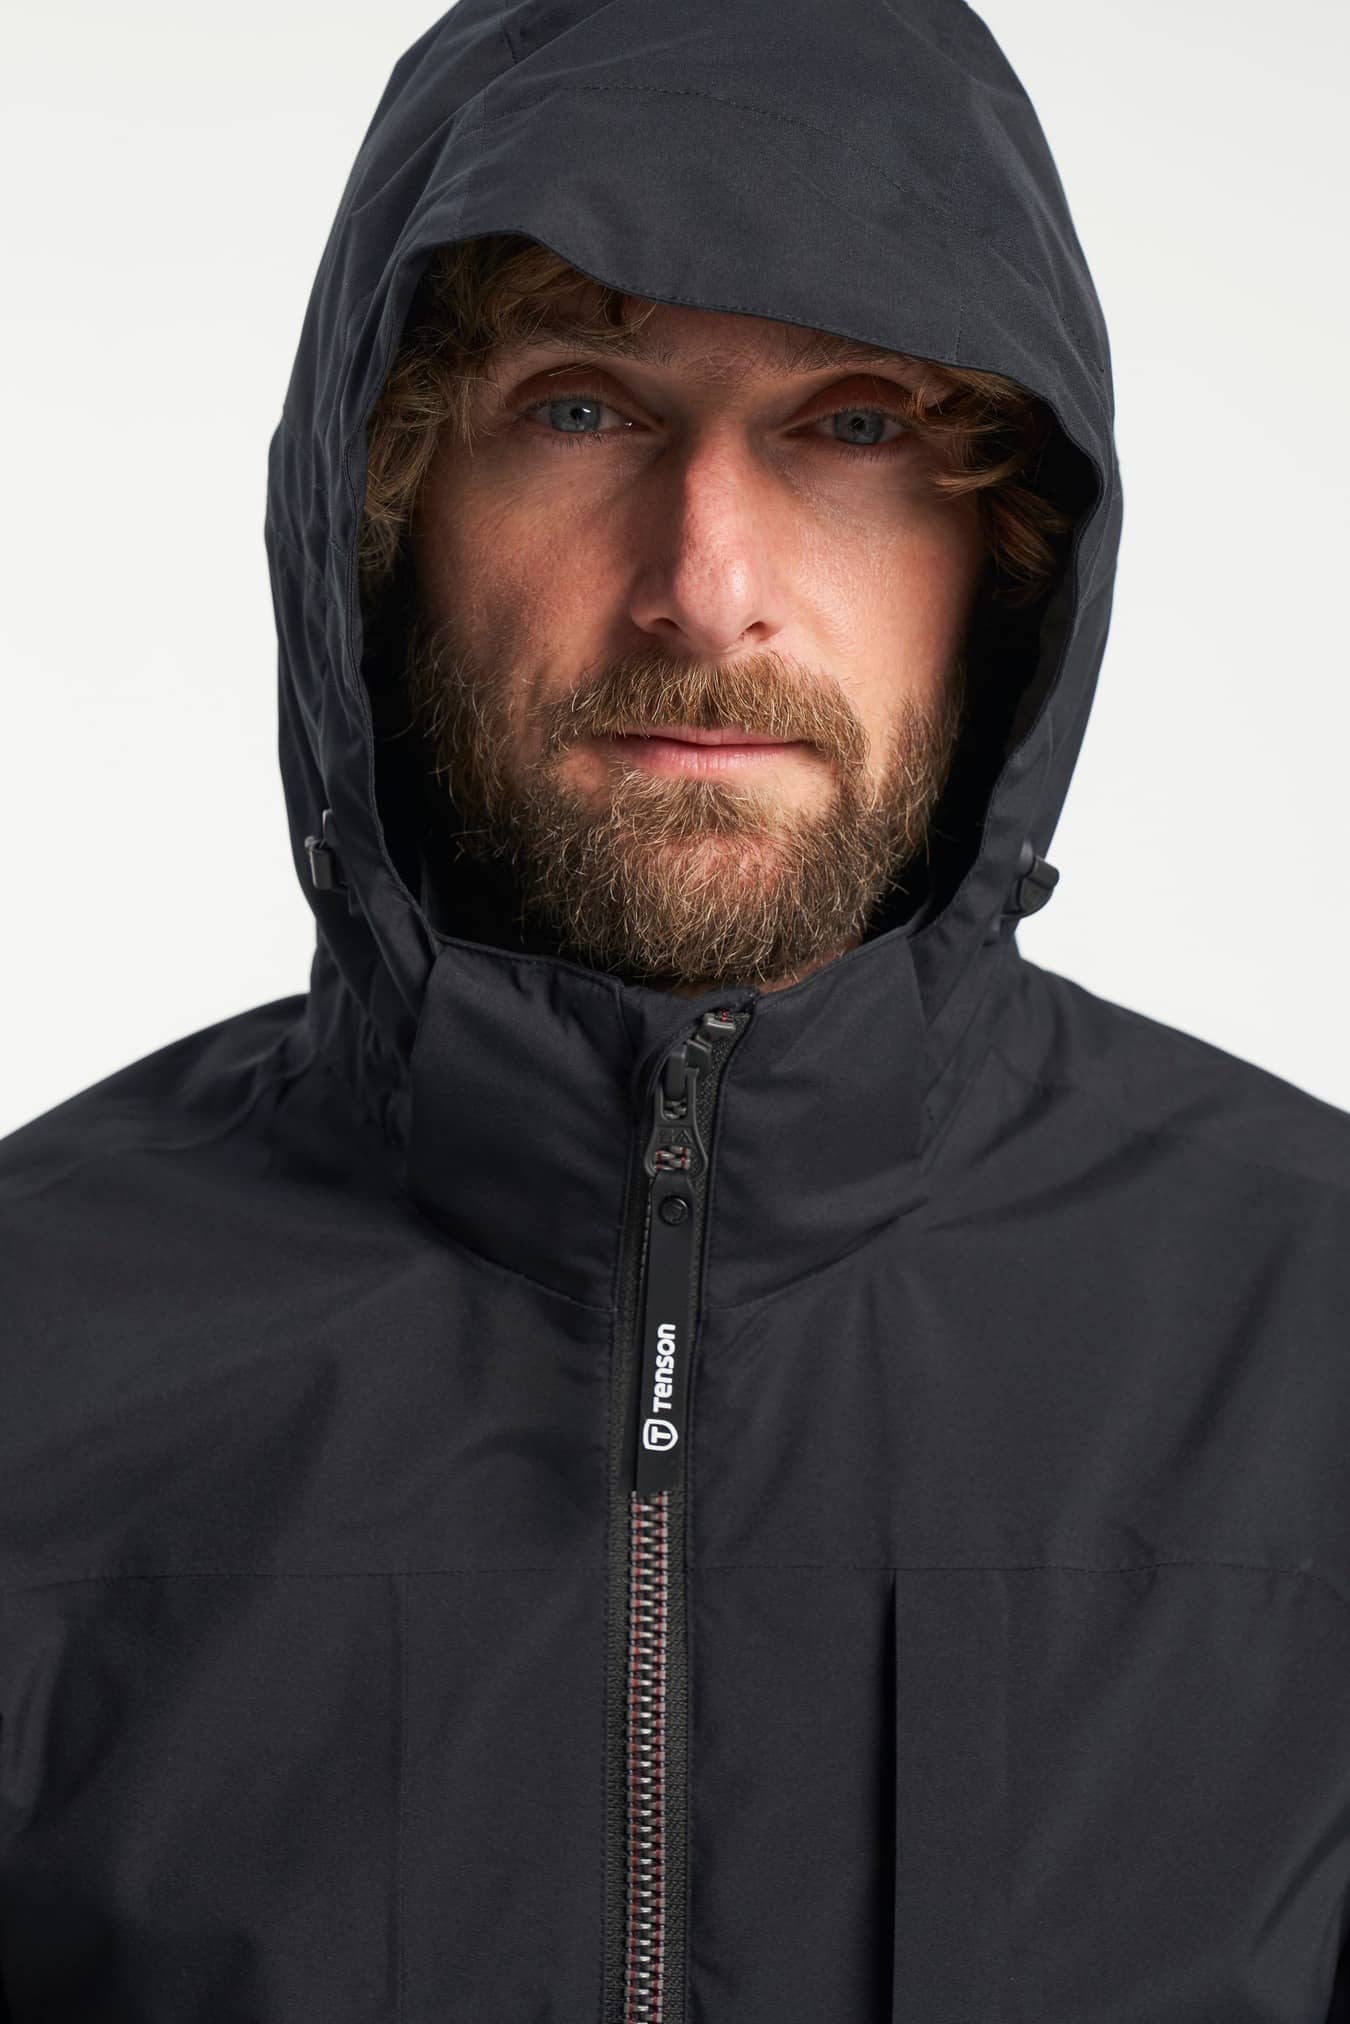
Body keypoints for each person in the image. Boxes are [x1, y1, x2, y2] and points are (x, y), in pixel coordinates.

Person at [2, 1, 1348, 2019]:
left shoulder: (1311, 1341)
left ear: (1012, 556)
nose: (707, 588)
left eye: (858, 424)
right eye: (577, 407)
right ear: (377, 517)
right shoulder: (35, 1353)